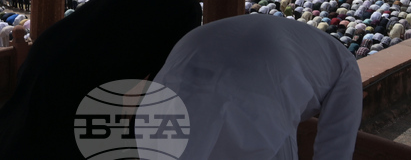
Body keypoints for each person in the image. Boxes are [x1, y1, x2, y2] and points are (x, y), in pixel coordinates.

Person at [0, 0, 211, 160]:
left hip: (49, 53)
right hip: (81, 71)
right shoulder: (186, 4)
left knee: (29, 128)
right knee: (67, 139)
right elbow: (172, 63)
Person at [141, 14, 362, 160]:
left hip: (190, 54)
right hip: (258, 80)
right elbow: (336, 146)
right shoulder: (346, 67)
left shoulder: (319, 51)